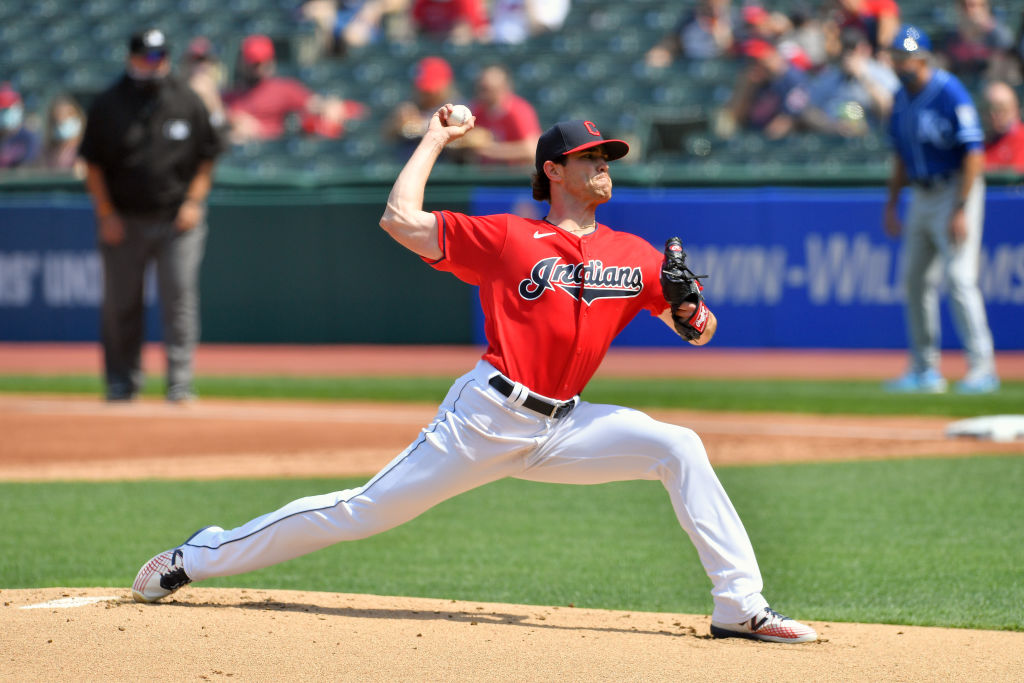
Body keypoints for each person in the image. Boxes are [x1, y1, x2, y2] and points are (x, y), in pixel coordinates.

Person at [130, 112, 819, 645]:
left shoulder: (633, 254)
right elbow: (399, 220)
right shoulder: (511, 238)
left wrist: (691, 306)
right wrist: (433, 139)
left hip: (566, 426)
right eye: (591, 157)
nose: (605, 165)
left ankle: (739, 606)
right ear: (554, 169)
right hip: (485, 418)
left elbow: (697, 330)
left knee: (680, 445)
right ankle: (198, 555)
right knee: (361, 511)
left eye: (608, 156)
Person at [79, 28, 224, 402]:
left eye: (161, 55)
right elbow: (93, 165)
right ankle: (121, 381)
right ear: (132, 58)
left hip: (177, 220)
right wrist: (106, 213)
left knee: (179, 300)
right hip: (124, 219)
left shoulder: (186, 99)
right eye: (148, 56)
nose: (155, 62)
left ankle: (179, 383)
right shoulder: (109, 103)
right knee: (121, 303)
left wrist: (193, 202)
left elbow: (208, 157)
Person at [882, 25, 999, 394]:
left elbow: (974, 153)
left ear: (923, 59)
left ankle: (983, 368)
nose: (901, 64)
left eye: (907, 58)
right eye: (897, 57)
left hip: (954, 189)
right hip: (921, 193)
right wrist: (892, 203)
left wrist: (962, 208)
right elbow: (900, 156)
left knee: (960, 280)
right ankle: (924, 369)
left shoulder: (949, 91)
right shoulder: (900, 97)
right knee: (915, 281)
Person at [224, 34, 365, 143]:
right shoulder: (230, 96)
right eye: (255, 63)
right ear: (243, 62)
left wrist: (332, 107)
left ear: (271, 61)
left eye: (263, 62)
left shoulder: (283, 88)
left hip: (273, 153)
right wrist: (232, 120)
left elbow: (318, 105)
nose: (259, 68)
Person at [801, 27, 898, 136]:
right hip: (835, 140)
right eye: (844, 51)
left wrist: (863, 77)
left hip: (871, 138)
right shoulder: (831, 76)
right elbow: (807, 112)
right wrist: (832, 126)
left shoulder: (881, 73)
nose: (847, 56)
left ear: (865, 49)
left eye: (851, 50)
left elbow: (888, 110)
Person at [719, 39, 811, 139]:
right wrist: (746, 87)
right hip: (753, 137)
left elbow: (787, 120)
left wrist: (759, 143)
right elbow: (734, 116)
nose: (755, 65)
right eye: (751, 62)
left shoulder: (793, 79)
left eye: (759, 61)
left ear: (773, 56)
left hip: (778, 143)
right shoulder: (757, 81)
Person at [458, 64, 541, 165]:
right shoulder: (476, 111)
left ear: (503, 89)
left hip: (515, 176)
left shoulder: (518, 111)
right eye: (480, 89)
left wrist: (490, 150)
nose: (482, 94)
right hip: (485, 175)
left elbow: (533, 150)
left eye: (487, 89)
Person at [385, 55, 460, 159]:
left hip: (444, 168)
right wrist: (397, 125)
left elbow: (470, 140)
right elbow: (387, 136)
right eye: (423, 89)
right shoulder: (410, 106)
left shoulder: (459, 109)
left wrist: (421, 127)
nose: (427, 93)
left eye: (431, 90)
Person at [938, 0, 1018, 84]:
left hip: (988, 86)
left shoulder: (998, 36)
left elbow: (1001, 74)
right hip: (960, 84)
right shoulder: (951, 37)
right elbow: (942, 68)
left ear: (985, 7)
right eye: (964, 6)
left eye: (973, 5)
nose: (970, 11)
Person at [36, 93, 86, 176]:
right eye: (57, 117)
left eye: (68, 115)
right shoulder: (46, 151)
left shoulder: (85, 149)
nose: (62, 120)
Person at [982, 80, 1024, 172]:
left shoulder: (1021, 138)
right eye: (989, 108)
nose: (993, 115)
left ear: (1015, 108)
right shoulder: (980, 142)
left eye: (1001, 108)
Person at [0, 83, 41, 169]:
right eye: (2, 110)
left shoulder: (29, 138)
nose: (4, 114)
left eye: (8, 109)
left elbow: (28, 167)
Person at [410, 0, 489, 44]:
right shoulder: (422, 3)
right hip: (431, 48)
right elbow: (415, 27)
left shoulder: (467, 2)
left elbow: (481, 32)